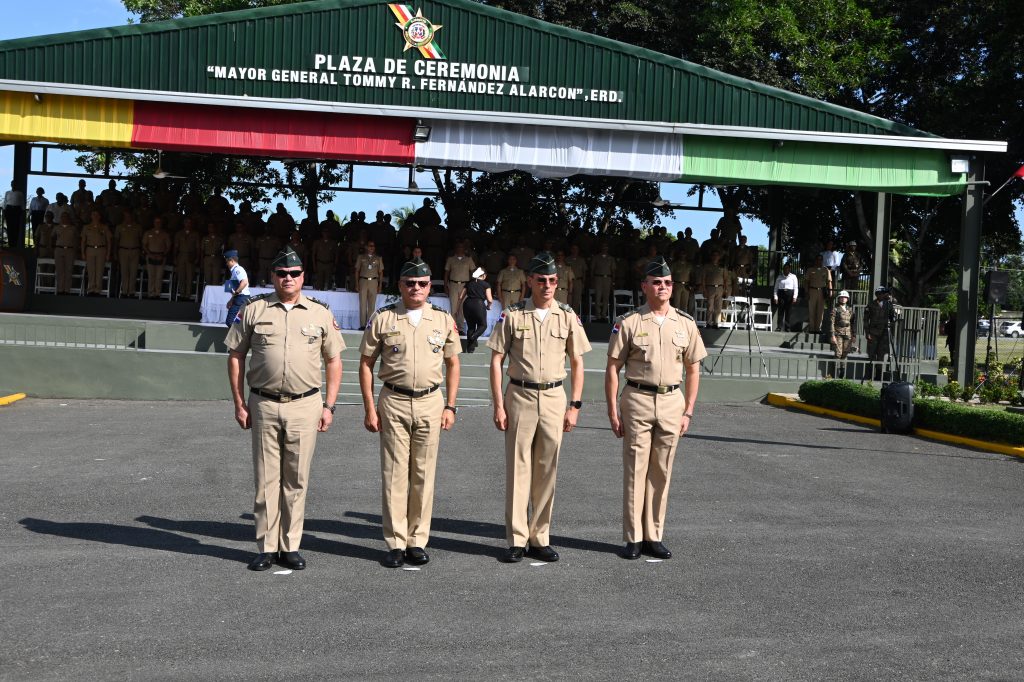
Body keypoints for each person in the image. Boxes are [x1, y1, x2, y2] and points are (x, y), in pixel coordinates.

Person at [226, 246, 344, 572]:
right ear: (273, 277)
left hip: (306, 405)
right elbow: (235, 355)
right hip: (262, 403)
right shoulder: (253, 309)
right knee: (266, 479)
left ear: (303, 276)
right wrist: (239, 402)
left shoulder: (320, 314)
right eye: (282, 274)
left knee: (296, 479)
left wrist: (329, 405)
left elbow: (334, 361)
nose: (288, 278)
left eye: (294, 274)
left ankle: (290, 545)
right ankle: (266, 546)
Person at [487, 251, 592, 563]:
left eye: (552, 280)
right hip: (519, 396)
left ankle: (540, 537)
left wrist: (574, 405)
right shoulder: (514, 315)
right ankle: (517, 539)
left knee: (547, 470)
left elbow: (577, 361)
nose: (547, 285)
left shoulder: (568, 316)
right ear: (529, 281)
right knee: (518, 470)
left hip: (553, 398)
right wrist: (498, 404)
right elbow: (496, 360)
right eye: (541, 280)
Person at [359, 257, 460, 568]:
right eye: (409, 283)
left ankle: (417, 540)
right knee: (394, 475)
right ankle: (395, 542)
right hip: (394, 401)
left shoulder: (443, 320)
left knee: (423, 474)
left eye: (422, 283)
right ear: (399, 285)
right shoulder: (384, 318)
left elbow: (453, 363)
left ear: (430, 286)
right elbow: (365, 364)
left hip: (431, 402)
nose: (416, 288)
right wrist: (369, 407)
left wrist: (450, 405)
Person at [606, 258, 707, 559]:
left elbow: (693, 370)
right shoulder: (630, 322)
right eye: (656, 282)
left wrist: (688, 411)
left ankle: (654, 534)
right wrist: (612, 411)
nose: (662, 287)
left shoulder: (685, 323)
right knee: (636, 469)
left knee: (661, 471)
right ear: (644, 287)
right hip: (637, 398)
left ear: (672, 287)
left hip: (671, 402)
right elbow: (613, 368)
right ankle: (633, 538)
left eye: (667, 283)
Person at [864, 286, 899, 378]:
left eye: (883, 294)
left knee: (881, 355)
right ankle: (868, 375)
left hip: (884, 333)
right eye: (879, 294)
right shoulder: (871, 304)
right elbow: (866, 320)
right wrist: (867, 333)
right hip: (873, 333)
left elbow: (892, 318)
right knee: (871, 354)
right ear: (877, 295)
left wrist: (894, 317)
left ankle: (878, 375)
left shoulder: (889, 304)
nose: (881, 295)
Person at [459, 267, 493, 352]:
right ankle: (473, 337)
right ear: (484, 275)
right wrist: (489, 306)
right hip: (479, 304)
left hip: (467, 304)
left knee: (471, 326)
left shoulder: (469, 283)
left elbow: (460, 296)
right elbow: (490, 299)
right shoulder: (486, 284)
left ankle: (470, 348)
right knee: (483, 325)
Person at [444, 243, 476, 333]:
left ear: (464, 249)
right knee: (453, 307)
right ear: (455, 248)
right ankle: (453, 328)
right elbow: (446, 273)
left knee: (462, 308)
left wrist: (472, 285)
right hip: (453, 285)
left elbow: (473, 273)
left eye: (461, 247)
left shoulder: (469, 260)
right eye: (458, 247)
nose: (459, 248)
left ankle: (461, 328)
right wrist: (446, 286)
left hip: (464, 285)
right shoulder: (450, 259)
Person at [80, 210, 112, 296]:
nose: (95, 216)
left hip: (101, 249)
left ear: (100, 216)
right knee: (90, 270)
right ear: (91, 216)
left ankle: (97, 289)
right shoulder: (86, 227)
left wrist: (108, 253)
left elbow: (109, 241)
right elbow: (83, 241)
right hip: (90, 249)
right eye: (93, 214)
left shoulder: (104, 227)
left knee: (99, 270)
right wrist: (82, 252)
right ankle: (91, 289)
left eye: (97, 214)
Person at [354, 240, 384, 329]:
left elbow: (381, 272)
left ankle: (369, 325)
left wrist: (380, 285)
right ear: (366, 247)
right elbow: (357, 271)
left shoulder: (378, 258)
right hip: (363, 281)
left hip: (374, 282)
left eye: (373, 246)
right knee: (362, 304)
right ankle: (362, 325)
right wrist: (356, 283)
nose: (372, 247)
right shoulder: (361, 257)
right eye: (370, 246)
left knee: (372, 305)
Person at [114, 210, 143, 297]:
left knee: (133, 271)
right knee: (124, 271)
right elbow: (116, 241)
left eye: (129, 216)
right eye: (126, 216)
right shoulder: (119, 227)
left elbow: (141, 240)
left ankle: (131, 291)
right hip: (123, 250)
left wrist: (142, 252)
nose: (127, 218)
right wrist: (115, 253)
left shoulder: (138, 227)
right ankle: (124, 291)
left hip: (135, 250)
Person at [142, 217, 171, 299]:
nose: (157, 224)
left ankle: (157, 293)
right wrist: (149, 254)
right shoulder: (148, 233)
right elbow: (144, 245)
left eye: (159, 222)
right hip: (150, 255)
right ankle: (151, 293)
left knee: (159, 276)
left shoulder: (165, 234)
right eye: (156, 222)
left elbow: (168, 246)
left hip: (161, 256)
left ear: (161, 223)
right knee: (151, 275)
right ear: (153, 223)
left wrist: (163, 254)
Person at [829, 290, 856, 378]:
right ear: (839, 298)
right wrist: (832, 335)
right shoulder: (835, 309)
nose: (843, 299)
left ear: (847, 299)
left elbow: (853, 322)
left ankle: (842, 373)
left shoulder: (850, 309)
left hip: (848, 333)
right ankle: (835, 374)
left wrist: (854, 335)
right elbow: (831, 323)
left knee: (845, 353)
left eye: (845, 297)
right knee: (838, 353)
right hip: (838, 333)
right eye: (841, 297)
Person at [174, 217, 202, 300]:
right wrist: (175, 257)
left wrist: (197, 257)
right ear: (184, 223)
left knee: (190, 276)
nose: (188, 224)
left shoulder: (195, 234)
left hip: (191, 255)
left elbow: (198, 248)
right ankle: (182, 293)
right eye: (186, 222)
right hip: (181, 255)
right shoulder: (179, 234)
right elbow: (176, 247)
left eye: (190, 222)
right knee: (181, 275)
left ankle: (188, 294)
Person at [804, 254, 833, 333]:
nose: (819, 261)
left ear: (822, 261)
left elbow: (829, 282)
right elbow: (806, 282)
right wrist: (806, 292)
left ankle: (818, 328)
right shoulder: (810, 270)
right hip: (812, 290)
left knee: (820, 311)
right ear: (815, 260)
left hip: (822, 291)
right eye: (818, 259)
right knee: (811, 310)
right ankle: (812, 328)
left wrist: (830, 291)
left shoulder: (826, 270)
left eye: (821, 259)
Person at [701, 250, 729, 328]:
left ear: (719, 257)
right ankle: (709, 323)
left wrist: (725, 290)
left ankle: (716, 323)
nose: (715, 257)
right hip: (710, 287)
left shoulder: (722, 267)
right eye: (713, 255)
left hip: (720, 288)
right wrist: (704, 290)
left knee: (718, 307)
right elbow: (703, 279)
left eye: (717, 255)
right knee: (710, 306)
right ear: (711, 256)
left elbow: (726, 279)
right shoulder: (707, 266)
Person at [223, 250, 251, 326]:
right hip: (239, 298)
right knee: (238, 320)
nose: (226, 264)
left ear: (231, 260)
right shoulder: (235, 270)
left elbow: (244, 282)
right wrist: (231, 300)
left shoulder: (238, 270)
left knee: (230, 321)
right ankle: (240, 334)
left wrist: (236, 293)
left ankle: (239, 336)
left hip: (241, 298)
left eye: (227, 261)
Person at [53, 213, 79, 294]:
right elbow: (52, 238)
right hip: (59, 249)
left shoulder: (73, 228)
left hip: (70, 250)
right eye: (62, 217)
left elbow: (77, 239)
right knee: (59, 270)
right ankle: (60, 290)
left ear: (69, 218)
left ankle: (67, 290)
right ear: (60, 218)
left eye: (66, 217)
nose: (64, 218)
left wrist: (75, 249)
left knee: (69, 270)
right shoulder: (56, 227)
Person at [591, 243, 616, 321]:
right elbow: (592, 269)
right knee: (598, 296)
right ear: (601, 248)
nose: (604, 248)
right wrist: (592, 279)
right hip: (598, 278)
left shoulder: (611, 258)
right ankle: (598, 314)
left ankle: (604, 315)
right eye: (603, 246)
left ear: (608, 248)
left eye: (606, 247)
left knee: (606, 297)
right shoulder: (596, 257)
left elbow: (613, 270)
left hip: (607, 278)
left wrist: (613, 281)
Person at [773, 263, 799, 332]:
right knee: (780, 311)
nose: (786, 269)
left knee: (788, 312)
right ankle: (779, 327)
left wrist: (795, 297)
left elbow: (796, 288)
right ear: (783, 269)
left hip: (789, 295)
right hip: (781, 294)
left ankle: (787, 327)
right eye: (784, 268)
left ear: (789, 269)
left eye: (787, 268)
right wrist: (775, 297)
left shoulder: (793, 277)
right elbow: (775, 288)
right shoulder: (779, 277)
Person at [201, 222, 224, 288]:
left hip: (217, 259)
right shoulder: (205, 238)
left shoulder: (220, 239)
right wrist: (202, 261)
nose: (211, 228)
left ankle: (214, 297)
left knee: (216, 280)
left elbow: (222, 250)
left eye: (212, 227)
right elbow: (202, 250)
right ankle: (209, 296)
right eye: (209, 227)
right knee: (208, 279)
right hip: (207, 258)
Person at [3, 181, 25, 249]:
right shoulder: (7, 192)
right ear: (11, 185)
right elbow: (5, 202)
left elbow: (22, 203)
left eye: (15, 184)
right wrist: (4, 210)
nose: (13, 185)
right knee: (9, 227)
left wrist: (23, 211)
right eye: (12, 184)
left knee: (16, 227)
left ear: (16, 185)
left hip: (17, 210)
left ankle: (15, 244)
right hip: (9, 209)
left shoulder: (20, 193)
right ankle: (10, 244)